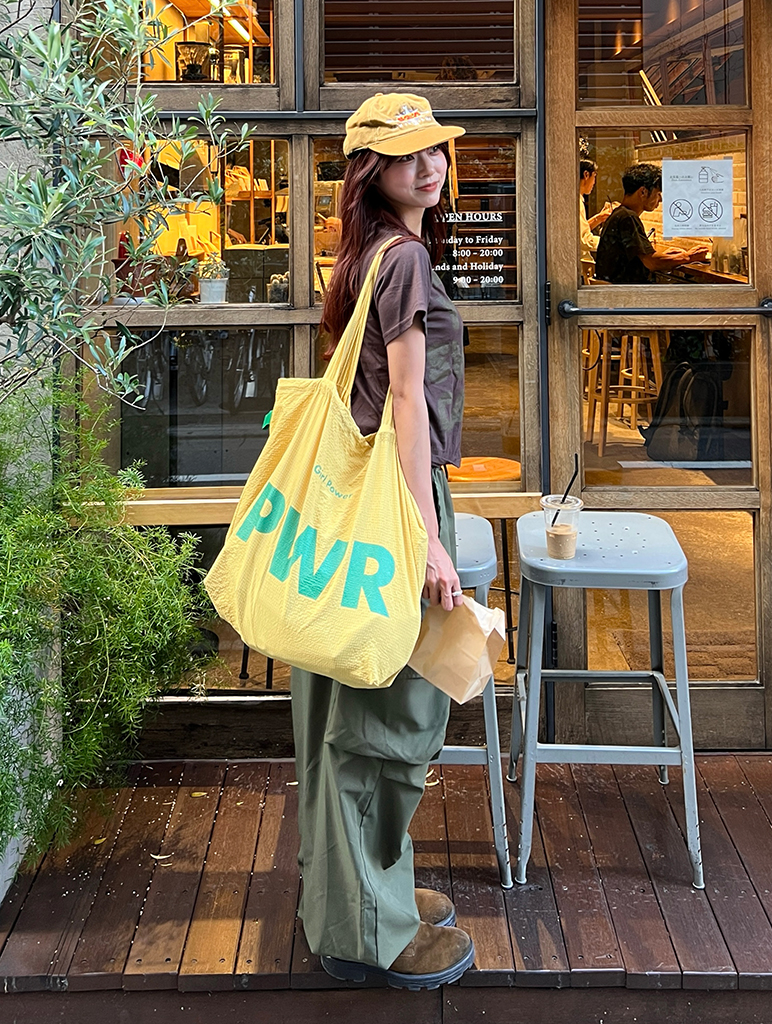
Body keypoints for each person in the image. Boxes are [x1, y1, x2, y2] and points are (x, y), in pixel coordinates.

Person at [290, 93, 476, 991]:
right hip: (394, 501)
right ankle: (371, 931)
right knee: (385, 719)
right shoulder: (402, 257)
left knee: (347, 710)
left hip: (359, 502)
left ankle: (360, 895)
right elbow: (405, 402)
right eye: (407, 156)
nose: (429, 167)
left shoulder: (369, 251)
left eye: (435, 149)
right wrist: (427, 540)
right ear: (372, 170)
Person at [595, 162, 710, 283]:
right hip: (626, 292)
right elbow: (651, 262)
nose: (660, 199)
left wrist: (665, 256)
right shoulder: (628, 217)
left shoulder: (619, 214)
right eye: (658, 194)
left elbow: (640, 257)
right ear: (643, 192)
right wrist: (688, 257)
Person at [579, 159, 612, 255]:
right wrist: (613, 244)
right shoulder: (576, 202)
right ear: (586, 175)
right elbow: (584, 240)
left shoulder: (576, 199)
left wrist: (599, 218)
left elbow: (579, 231)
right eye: (594, 177)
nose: (594, 182)